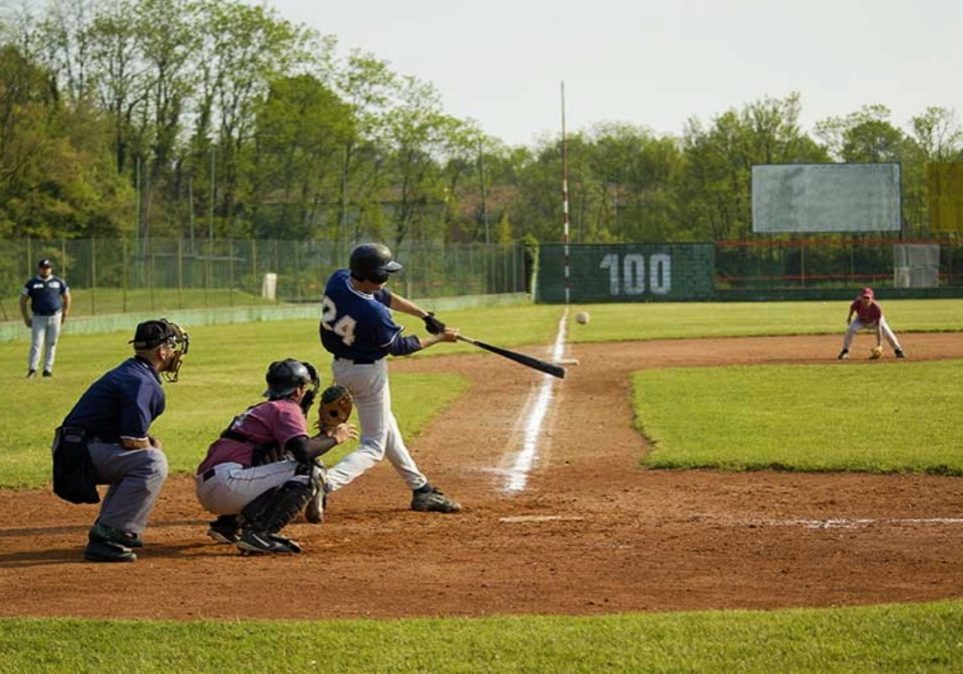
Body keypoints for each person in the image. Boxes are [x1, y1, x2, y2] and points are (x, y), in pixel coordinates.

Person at [318, 242, 462, 514]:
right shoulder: (374, 314)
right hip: (367, 374)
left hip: (342, 368)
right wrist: (439, 338)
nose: (386, 278)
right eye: (383, 273)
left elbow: (384, 295)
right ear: (373, 275)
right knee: (373, 446)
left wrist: (425, 315)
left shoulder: (338, 280)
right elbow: (400, 347)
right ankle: (325, 483)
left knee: (387, 429)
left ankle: (422, 490)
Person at [52, 319, 189, 563]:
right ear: (162, 351)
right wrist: (149, 446)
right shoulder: (141, 381)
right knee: (151, 462)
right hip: (77, 452)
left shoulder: (135, 372)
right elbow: (131, 440)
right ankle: (109, 535)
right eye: (173, 347)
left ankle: (110, 525)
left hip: (77, 446)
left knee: (142, 458)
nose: (177, 354)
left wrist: (147, 442)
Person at [195, 359, 357, 555]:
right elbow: (304, 452)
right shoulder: (286, 409)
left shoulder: (265, 408)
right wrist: (336, 438)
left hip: (213, 486)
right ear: (298, 390)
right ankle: (260, 533)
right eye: (304, 387)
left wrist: (325, 434)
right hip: (228, 485)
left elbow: (291, 451)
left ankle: (229, 525)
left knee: (279, 459)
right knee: (310, 470)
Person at [20, 258, 71, 378]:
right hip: (38, 317)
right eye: (43, 268)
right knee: (36, 344)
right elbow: (23, 300)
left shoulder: (58, 282)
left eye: (47, 268)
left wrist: (65, 312)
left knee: (52, 343)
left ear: (51, 269)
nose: (45, 270)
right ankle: (33, 369)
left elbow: (67, 297)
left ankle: (47, 369)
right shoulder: (32, 283)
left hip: (55, 316)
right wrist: (26, 317)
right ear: (39, 269)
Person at [838, 287, 906, 360]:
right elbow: (852, 308)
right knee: (851, 329)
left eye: (868, 298)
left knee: (887, 333)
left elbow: (878, 327)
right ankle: (845, 351)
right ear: (860, 297)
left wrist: (879, 344)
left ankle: (898, 350)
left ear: (872, 298)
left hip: (874, 321)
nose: (865, 299)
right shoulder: (857, 302)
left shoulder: (877, 308)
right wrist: (849, 317)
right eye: (864, 297)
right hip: (861, 320)